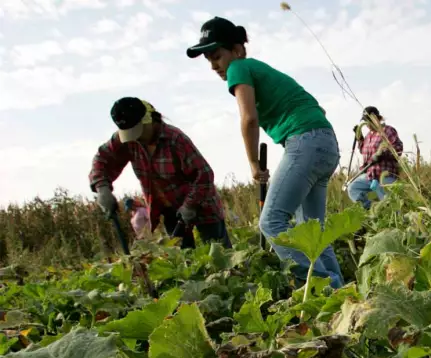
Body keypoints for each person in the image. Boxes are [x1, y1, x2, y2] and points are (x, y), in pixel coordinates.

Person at [187, 16, 344, 288]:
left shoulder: (239, 67)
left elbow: (248, 118)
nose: (214, 65)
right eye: (208, 60)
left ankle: (325, 288)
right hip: (325, 142)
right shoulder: (262, 69)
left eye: (217, 56)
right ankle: (342, 293)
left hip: (304, 141)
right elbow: (316, 107)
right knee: (313, 232)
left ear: (237, 50)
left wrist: (253, 165)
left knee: (271, 222)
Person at [89, 97, 231, 249]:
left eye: (138, 132)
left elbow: (204, 175)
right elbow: (102, 158)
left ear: (148, 120)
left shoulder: (175, 139)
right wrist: (102, 186)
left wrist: (190, 205)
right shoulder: (127, 140)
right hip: (170, 212)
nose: (135, 138)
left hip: (202, 206)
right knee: (183, 261)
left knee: (219, 256)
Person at [346, 106, 404, 209]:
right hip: (370, 176)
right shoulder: (369, 135)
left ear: (377, 118)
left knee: (391, 205)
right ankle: (371, 209)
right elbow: (364, 151)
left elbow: (398, 148)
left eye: (368, 120)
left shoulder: (387, 130)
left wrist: (382, 154)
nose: (367, 124)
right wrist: (360, 138)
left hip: (385, 175)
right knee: (352, 188)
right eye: (365, 121)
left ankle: (395, 217)